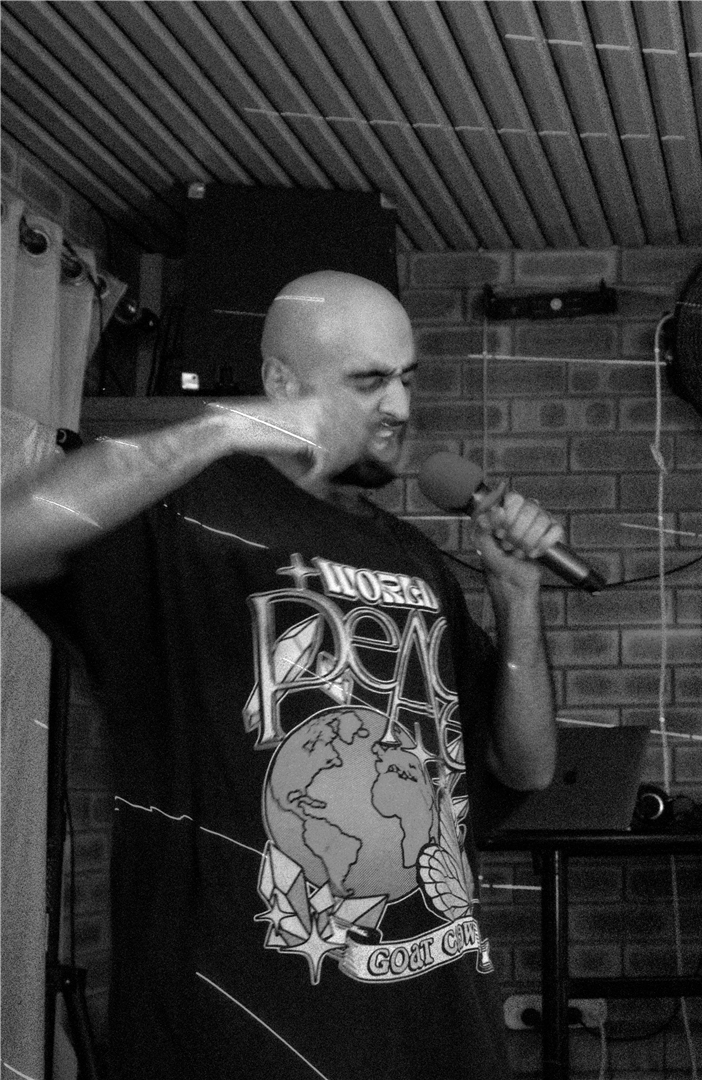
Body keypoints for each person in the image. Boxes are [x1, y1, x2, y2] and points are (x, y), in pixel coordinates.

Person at [0, 271, 559, 1079]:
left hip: (436, 1022)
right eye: (368, 381)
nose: (399, 406)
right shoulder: (184, 513)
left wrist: (517, 597)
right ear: (281, 383)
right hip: (246, 1027)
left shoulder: (413, 559)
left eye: (407, 379)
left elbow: (526, 766)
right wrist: (222, 428)